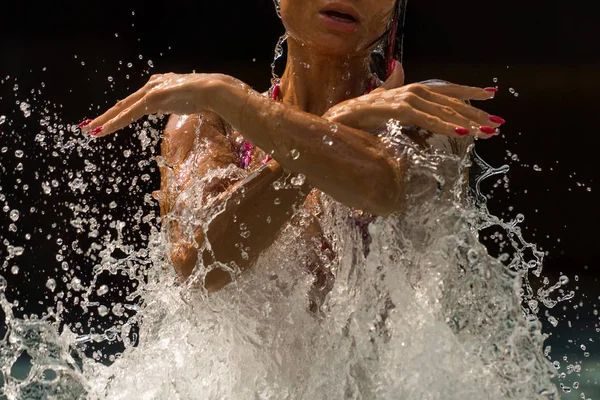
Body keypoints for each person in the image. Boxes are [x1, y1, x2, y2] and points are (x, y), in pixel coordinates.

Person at [79, 0, 503, 294]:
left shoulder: (426, 115)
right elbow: (200, 270)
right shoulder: (208, 123)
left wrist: (231, 96)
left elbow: (381, 187)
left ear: (393, 9)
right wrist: (335, 123)